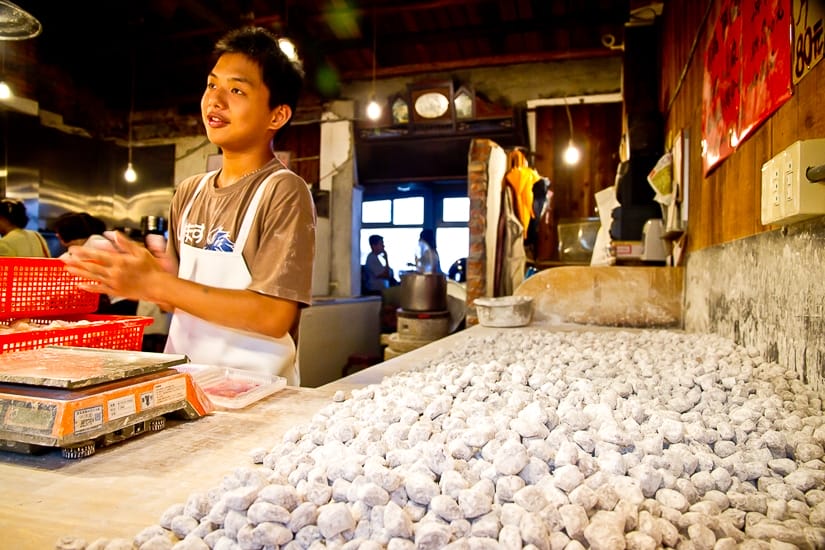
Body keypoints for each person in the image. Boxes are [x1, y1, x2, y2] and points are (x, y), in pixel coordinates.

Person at [61, 26, 315, 386]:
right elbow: (176, 300)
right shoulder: (189, 192)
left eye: (237, 90)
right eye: (212, 85)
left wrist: (158, 285)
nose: (216, 100)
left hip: (255, 392)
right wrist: (142, 279)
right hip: (183, 382)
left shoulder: (284, 191)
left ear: (277, 116)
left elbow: (274, 316)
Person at [53, 212, 139, 315]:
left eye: (58, 233)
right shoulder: (95, 242)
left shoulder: (94, 245)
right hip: (125, 299)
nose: (57, 235)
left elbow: (67, 262)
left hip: (121, 301)